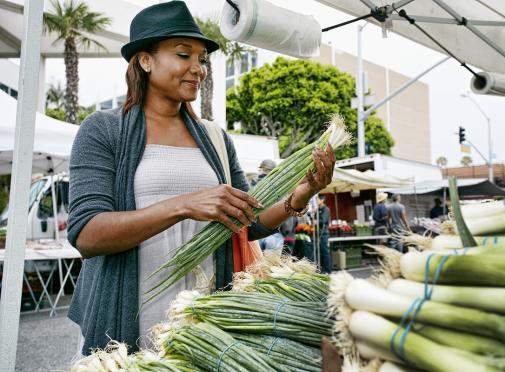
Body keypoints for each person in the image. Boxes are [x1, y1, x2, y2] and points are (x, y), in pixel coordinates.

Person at [67, 1, 335, 356]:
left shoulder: (214, 138)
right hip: (129, 326)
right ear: (145, 61)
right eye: (183, 55)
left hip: (207, 328)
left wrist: (298, 197)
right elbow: (87, 233)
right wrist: (184, 205)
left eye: (202, 59)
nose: (198, 68)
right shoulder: (103, 130)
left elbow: (248, 223)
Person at [251, 159, 284, 250]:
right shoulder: (280, 187)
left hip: (254, 235)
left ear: (261, 168)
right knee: (270, 264)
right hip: (273, 233)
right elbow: (285, 208)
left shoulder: (251, 186)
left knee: (255, 264)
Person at [317, 195, 331, 273]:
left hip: (324, 233)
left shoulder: (326, 209)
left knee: (325, 252)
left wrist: (316, 221)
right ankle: (322, 269)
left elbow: (323, 220)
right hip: (318, 233)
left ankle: (327, 270)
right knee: (321, 252)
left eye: (317, 200)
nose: (316, 202)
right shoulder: (318, 209)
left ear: (322, 200)